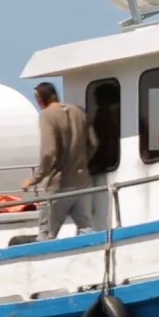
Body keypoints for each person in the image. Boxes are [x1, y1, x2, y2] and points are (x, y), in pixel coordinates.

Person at [22, 82, 98, 240]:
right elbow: (94, 144)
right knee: (86, 230)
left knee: (46, 234)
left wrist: (35, 179)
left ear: (39, 98)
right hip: (83, 181)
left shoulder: (46, 115)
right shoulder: (78, 112)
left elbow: (49, 152)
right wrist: (81, 163)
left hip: (60, 184)